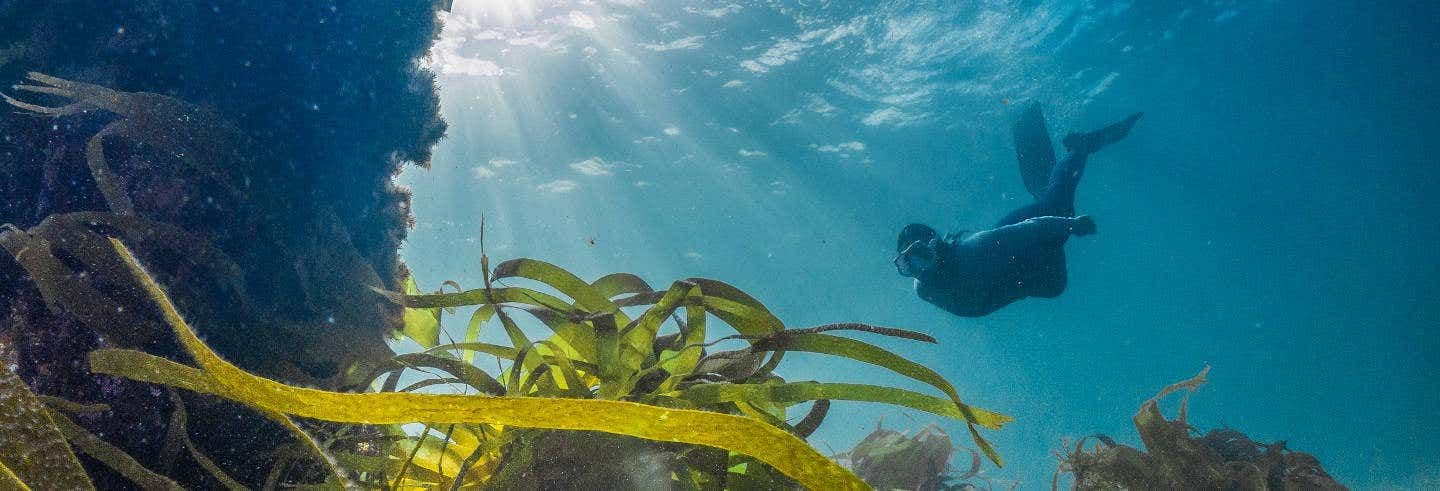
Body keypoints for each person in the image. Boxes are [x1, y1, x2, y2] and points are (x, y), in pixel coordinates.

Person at [895, 104, 1142, 317]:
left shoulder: (977, 248)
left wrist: (1073, 225)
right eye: (908, 265)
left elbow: (1033, 228)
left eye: (921, 256)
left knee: (1053, 207)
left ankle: (1081, 148)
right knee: (1053, 279)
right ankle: (1048, 186)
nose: (920, 270)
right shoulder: (922, 289)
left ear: (937, 249)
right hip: (1040, 278)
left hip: (1025, 251)